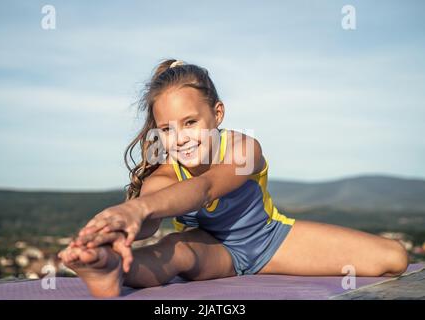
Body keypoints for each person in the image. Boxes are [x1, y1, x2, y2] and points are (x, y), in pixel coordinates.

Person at [58, 59, 408, 297]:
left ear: (217, 113)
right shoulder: (162, 175)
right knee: (173, 250)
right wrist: (117, 229)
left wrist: (140, 209)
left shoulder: (244, 149)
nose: (178, 138)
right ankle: (109, 269)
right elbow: (149, 223)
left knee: (394, 258)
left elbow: (206, 187)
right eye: (166, 129)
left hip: (272, 241)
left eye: (190, 122)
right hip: (213, 253)